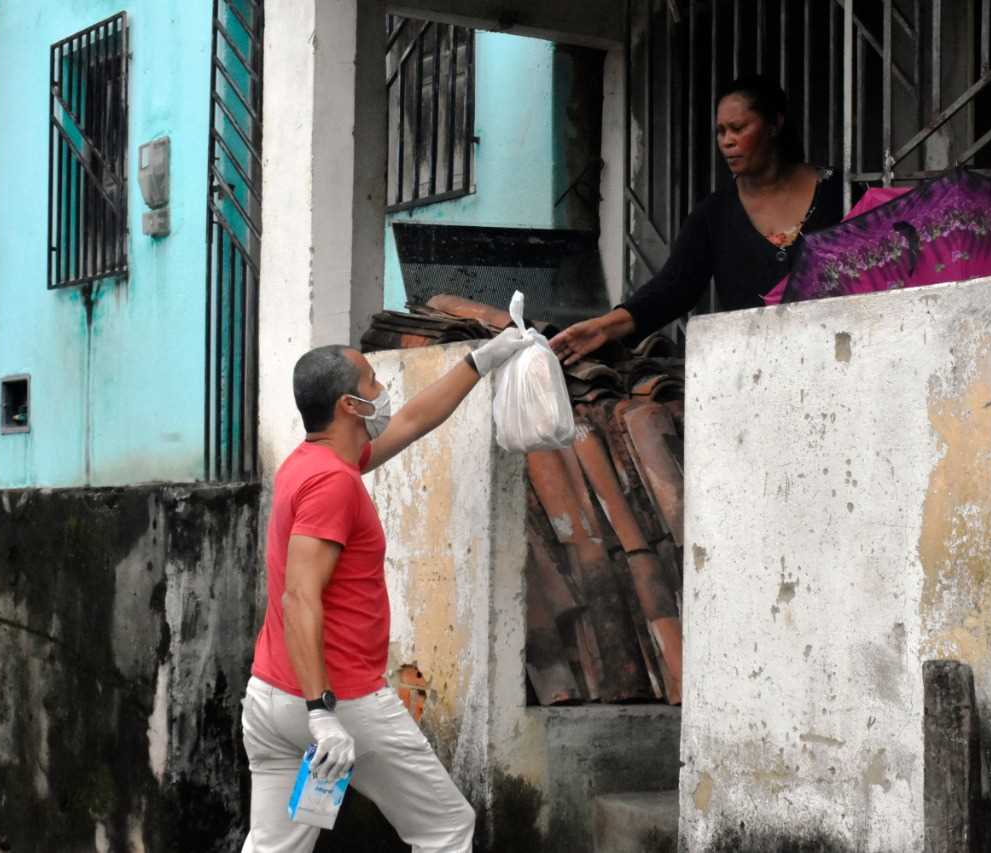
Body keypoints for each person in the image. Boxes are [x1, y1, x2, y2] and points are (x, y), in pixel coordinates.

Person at [239, 330, 531, 853]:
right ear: (350, 405)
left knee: (273, 848)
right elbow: (300, 597)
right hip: (338, 699)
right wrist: (322, 711)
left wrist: (480, 361)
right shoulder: (334, 483)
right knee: (446, 828)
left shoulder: (310, 464)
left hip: (271, 698)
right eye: (373, 381)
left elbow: (413, 420)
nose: (383, 389)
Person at [550, 75, 844, 365]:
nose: (727, 141)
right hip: (756, 370)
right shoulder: (714, 215)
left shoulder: (839, 194)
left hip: (840, 358)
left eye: (738, 128)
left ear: (774, 125)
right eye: (721, 132)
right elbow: (672, 288)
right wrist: (603, 327)